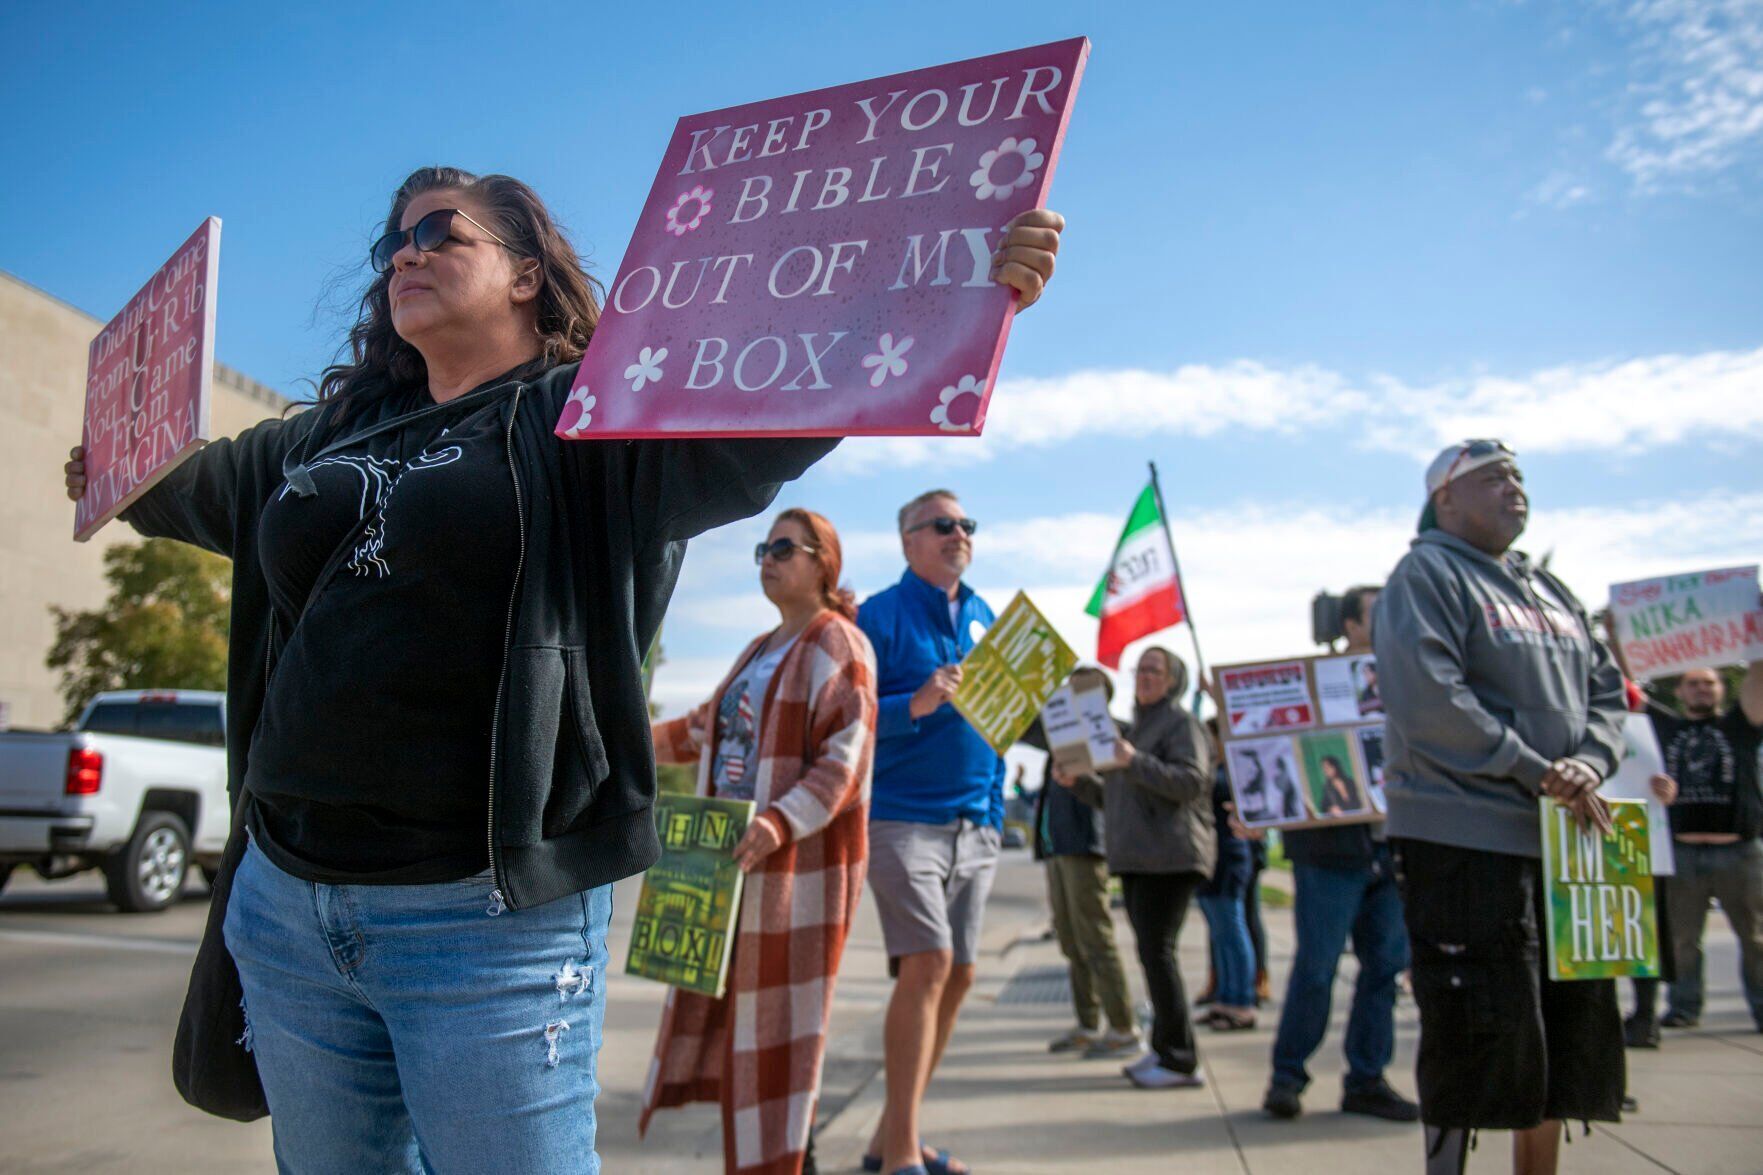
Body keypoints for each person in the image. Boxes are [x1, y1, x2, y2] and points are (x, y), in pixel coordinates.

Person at [63, 168, 1063, 1174]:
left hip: (486, 921)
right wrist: (111, 463)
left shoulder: (592, 420)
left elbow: (793, 391)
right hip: (286, 903)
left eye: (438, 232)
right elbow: (174, 484)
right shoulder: (321, 437)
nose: (404, 252)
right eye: (391, 244)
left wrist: (959, 298)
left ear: (526, 273)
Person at [1376, 439, 1626, 1175]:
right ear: (1444, 497)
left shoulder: (1550, 589)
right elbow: (1429, 699)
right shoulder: (1426, 572)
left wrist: (1587, 761)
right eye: (1492, 477)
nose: (1513, 487)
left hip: (1564, 838)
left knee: (1562, 1038)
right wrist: (1535, 768)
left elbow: (1606, 693)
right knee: (1475, 1031)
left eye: (1517, 475)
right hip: (1463, 839)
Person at [640, 509, 876, 1175]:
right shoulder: (759, 645)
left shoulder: (840, 643)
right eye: (761, 548)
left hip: (789, 869)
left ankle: (783, 1162)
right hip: (723, 862)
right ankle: (786, 1160)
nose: (767, 559)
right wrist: (621, 739)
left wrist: (777, 820)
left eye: (782, 547)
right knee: (743, 1027)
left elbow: (845, 761)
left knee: (780, 1032)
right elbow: (701, 728)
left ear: (822, 562)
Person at [855, 490, 1001, 1175]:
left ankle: (892, 1138)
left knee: (959, 973)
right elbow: (839, 715)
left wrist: (996, 808)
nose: (958, 534)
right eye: (943, 524)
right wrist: (911, 703)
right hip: (901, 816)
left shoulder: (986, 617)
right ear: (908, 538)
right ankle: (901, 1159)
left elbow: (1000, 725)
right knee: (930, 963)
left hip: (976, 821)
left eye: (966, 524)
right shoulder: (875, 616)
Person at [1262, 584, 1417, 1124]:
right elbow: (1276, 759)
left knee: (1384, 970)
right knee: (1316, 968)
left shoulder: (1410, 685)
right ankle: (1287, 1078)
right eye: (1379, 613)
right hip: (1329, 855)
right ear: (1350, 625)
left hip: (1390, 852)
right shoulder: (1312, 686)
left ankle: (1367, 1080)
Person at [1056, 646, 1215, 1089]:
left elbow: (1191, 782)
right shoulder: (1139, 728)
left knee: (1159, 954)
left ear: (1173, 680)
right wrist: (1079, 784)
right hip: (1140, 857)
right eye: (1140, 669)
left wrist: (1133, 761)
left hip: (1170, 856)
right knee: (1151, 954)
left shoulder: (1181, 724)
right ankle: (1166, 1051)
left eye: (1154, 670)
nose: (1144, 676)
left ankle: (1181, 1059)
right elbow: (1116, 798)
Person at [1024, 667, 1141, 1058]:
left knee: (1095, 938)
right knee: (1072, 940)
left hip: (1086, 845)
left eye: (1078, 691)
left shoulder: (1114, 734)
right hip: (1058, 847)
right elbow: (1019, 727)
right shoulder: (1058, 732)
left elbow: (1117, 795)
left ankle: (1122, 1027)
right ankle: (1088, 1023)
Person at [1649, 662, 1763, 1032]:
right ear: (1679, 692)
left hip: (1740, 852)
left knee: (1756, 938)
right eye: (1693, 683)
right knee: (1682, 939)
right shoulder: (1666, 727)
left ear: (1722, 689)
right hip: (1681, 853)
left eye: (1709, 683)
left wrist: (1755, 646)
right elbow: (1621, 688)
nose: (1702, 689)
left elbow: (1758, 682)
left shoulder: (1740, 726)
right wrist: (1617, 636)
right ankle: (1683, 1008)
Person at [1197, 717, 1258, 1030]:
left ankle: (1242, 1000)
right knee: (1219, 933)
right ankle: (1224, 997)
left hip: (1230, 856)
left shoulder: (1234, 769)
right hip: (1208, 857)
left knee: (1232, 929)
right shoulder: (1210, 765)